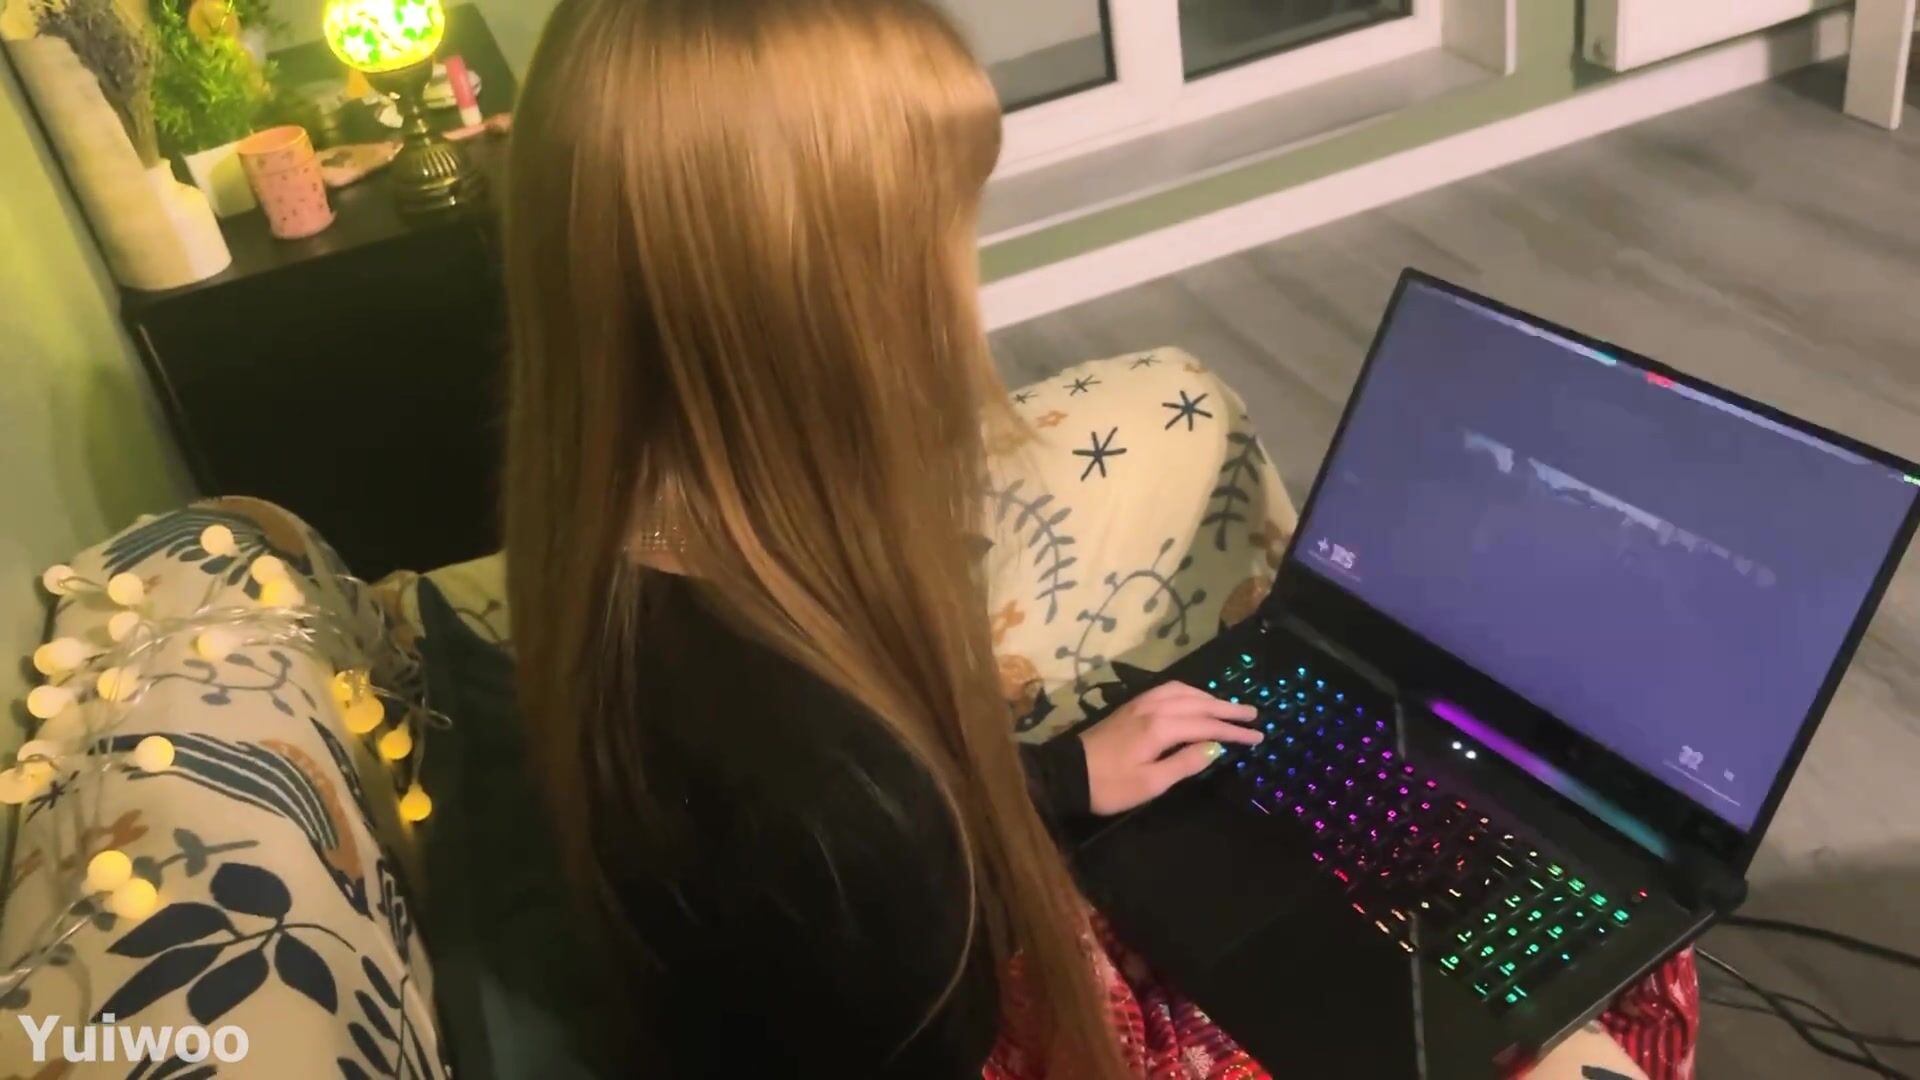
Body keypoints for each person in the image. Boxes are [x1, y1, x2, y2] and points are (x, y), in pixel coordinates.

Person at [498, 0, 1692, 1075]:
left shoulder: (629, 558)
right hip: (988, 994)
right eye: (938, 239)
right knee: (1626, 953)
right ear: (823, 313)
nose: (961, 290)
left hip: (953, 900)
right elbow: (888, 868)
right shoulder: (838, 806)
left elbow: (904, 835)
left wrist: (1059, 781)